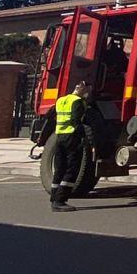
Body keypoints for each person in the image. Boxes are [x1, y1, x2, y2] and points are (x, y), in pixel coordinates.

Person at [50, 81, 90, 212]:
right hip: (71, 137)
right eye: (86, 90)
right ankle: (60, 200)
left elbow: (52, 116)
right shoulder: (78, 102)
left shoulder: (61, 100)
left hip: (60, 136)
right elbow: (76, 121)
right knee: (72, 168)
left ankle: (54, 197)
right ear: (82, 89)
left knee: (60, 168)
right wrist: (85, 138)